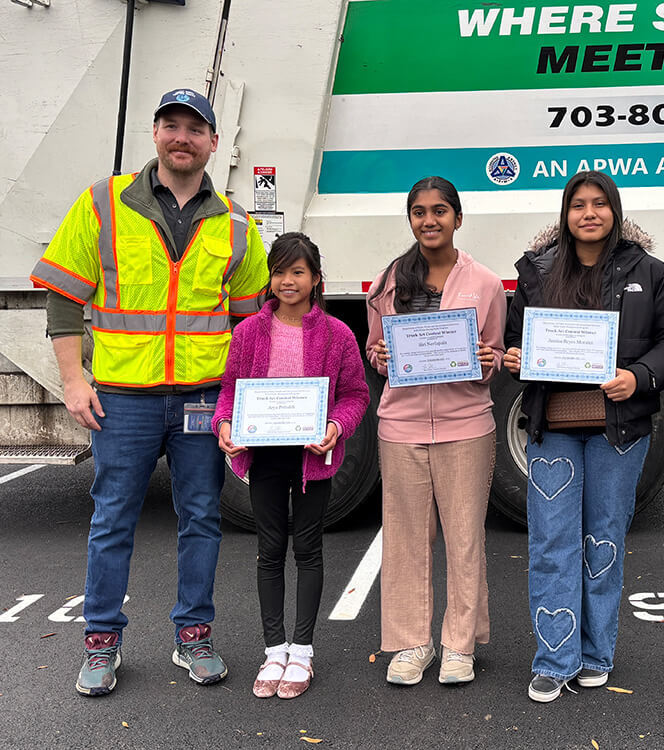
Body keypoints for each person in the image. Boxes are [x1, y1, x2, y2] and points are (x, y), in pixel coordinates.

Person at [29, 88, 269, 696]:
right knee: (112, 520)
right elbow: (64, 294)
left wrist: (244, 398)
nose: (182, 137)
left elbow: (252, 321)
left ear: (214, 142)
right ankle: (101, 645)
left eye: (196, 128)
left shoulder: (238, 223)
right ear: (155, 134)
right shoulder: (104, 203)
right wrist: (74, 379)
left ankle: (195, 638)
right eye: (171, 125)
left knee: (202, 521)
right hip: (123, 397)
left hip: (200, 396)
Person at [503, 171, 664, 703]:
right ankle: (553, 657)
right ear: (565, 214)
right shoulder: (537, 273)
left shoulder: (648, 272)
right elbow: (516, 341)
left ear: (615, 210)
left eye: (599, 204)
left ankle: (594, 654)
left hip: (619, 429)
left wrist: (640, 376)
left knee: (603, 542)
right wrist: (517, 357)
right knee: (550, 544)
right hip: (552, 430)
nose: (589, 213)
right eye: (578, 205)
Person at [212, 232, 370, 699]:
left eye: (297, 271)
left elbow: (355, 395)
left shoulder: (337, 334)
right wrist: (223, 424)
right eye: (279, 271)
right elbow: (229, 390)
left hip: (311, 458)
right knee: (269, 550)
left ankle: (302, 651)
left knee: (308, 549)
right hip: (262, 457)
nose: (287, 280)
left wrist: (337, 427)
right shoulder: (247, 333)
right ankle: (273, 649)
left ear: (316, 279)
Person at [366, 176, 506, 686]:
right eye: (420, 212)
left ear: (458, 218)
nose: (430, 220)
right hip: (400, 426)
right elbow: (376, 351)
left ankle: (459, 645)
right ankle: (410, 644)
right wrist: (378, 357)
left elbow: (490, 356)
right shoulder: (386, 281)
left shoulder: (486, 283)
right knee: (405, 539)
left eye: (440, 211)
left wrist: (488, 360)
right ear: (411, 220)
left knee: (465, 538)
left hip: (466, 425)